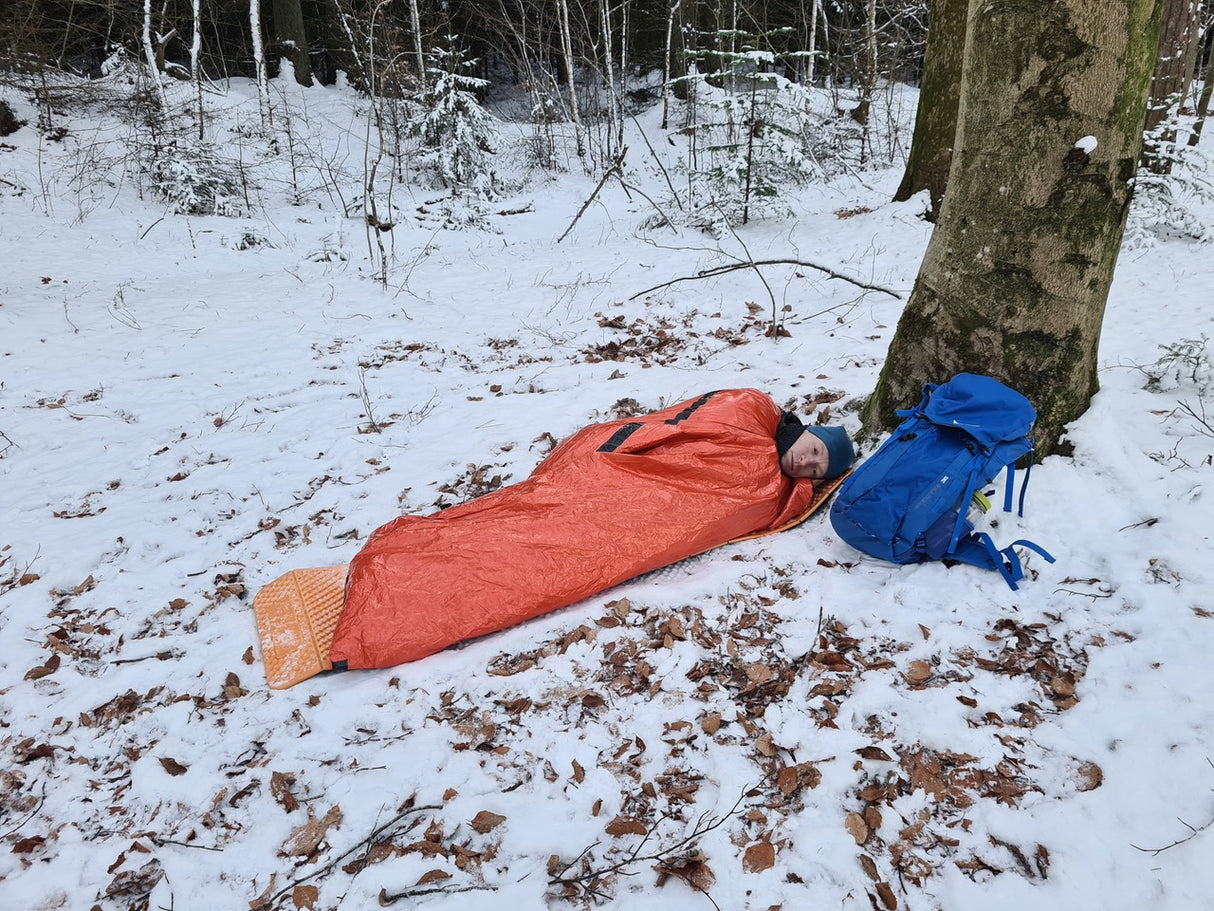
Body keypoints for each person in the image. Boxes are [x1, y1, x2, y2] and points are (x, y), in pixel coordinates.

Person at [774, 410, 855, 480]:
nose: (804, 463)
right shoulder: (767, 414)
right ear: (808, 431)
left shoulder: (781, 493)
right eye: (815, 450)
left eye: (814, 471)